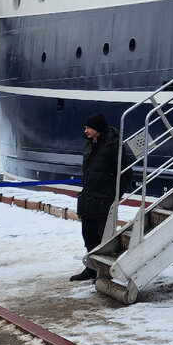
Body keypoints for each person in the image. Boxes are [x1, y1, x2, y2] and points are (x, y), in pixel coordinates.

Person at [69, 112, 120, 281]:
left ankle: (103, 271)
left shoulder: (113, 144)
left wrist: (116, 195)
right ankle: (90, 268)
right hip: (89, 197)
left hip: (104, 198)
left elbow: (124, 170)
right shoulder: (91, 144)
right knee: (88, 235)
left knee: (102, 238)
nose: (85, 131)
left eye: (88, 127)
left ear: (97, 128)